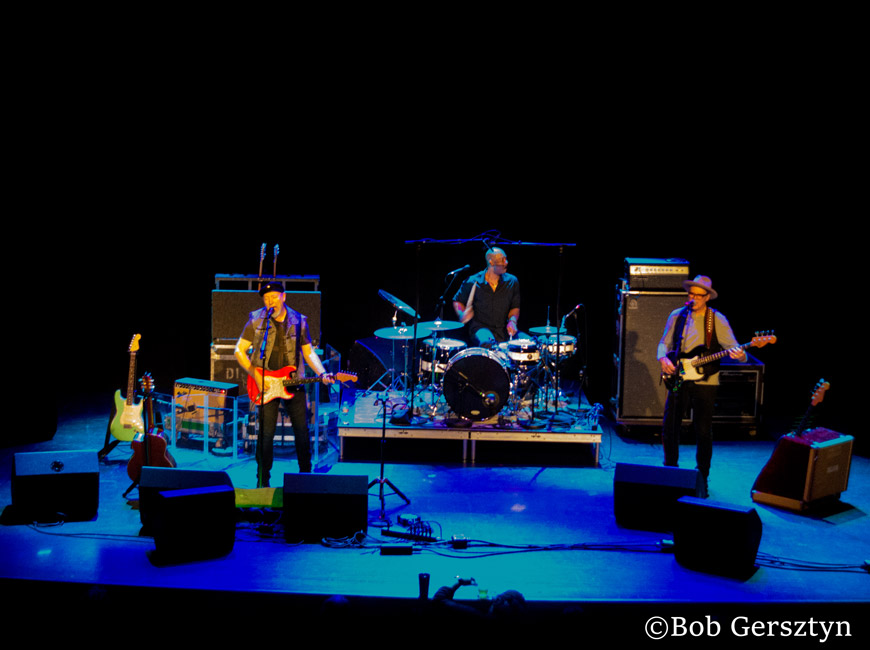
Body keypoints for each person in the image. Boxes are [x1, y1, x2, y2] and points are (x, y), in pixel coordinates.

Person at [235, 281, 334, 486]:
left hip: (292, 384)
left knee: (302, 433)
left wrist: (322, 372)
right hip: (266, 385)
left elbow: (308, 352)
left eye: (274, 296)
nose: (270, 300)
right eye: (266, 297)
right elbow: (239, 350)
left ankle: (304, 480)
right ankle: (263, 482)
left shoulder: (299, 321)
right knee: (265, 435)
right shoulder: (256, 320)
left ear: (284, 296)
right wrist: (256, 375)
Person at [657, 275, 746, 497]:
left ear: (707, 297)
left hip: (707, 381)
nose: (694, 298)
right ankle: (670, 470)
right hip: (678, 378)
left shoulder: (717, 319)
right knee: (670, 425)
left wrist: (741, 354)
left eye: (699, 295)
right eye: (691, 294)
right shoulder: (677, 316)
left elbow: (734, 348)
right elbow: (663, 343)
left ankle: (702, 476)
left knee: (703, 429)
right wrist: (663, 359)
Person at [452, 247, 521, 347]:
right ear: (491, 262)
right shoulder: (472, 281)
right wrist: (462, 314)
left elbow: (515, 307)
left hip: (504, 330)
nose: (506, 262)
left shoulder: (512, 281)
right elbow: (457, 301)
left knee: (528, 342)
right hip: (480, 328)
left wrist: (513, 321)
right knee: (488, 343)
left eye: (506, 259)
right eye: (502, 260)